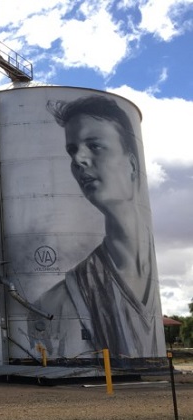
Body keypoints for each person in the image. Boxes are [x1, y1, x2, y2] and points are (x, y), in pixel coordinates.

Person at [28, 95, 164, 361]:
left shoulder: (149, 280)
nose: (79, 159)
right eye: (72, 150)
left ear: (133, 163)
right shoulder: (55, 303)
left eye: (94, 146)